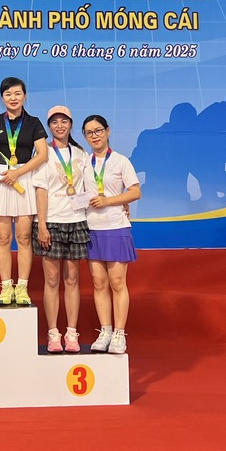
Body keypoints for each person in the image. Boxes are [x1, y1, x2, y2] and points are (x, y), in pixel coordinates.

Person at [0, 77, 48, 307]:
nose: (13, 98)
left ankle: (22, 287)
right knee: (3, 238)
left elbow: (42, 155)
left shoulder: (33, 123)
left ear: (25, 96)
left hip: (23, 180)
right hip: (1, 182)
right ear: (2, 98)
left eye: (17, 93)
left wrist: (18, 173)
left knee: (23, 238)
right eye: (8, 94)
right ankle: (5, 286)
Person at [31, 105, 91, 352]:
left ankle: (72, 333)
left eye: (64, 121)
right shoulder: (43, 153)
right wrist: (42, 225)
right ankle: (53, 333)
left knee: (73, 279)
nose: (59, 126)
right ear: (49, 126)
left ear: (71, 124)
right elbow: (41, 192)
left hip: (76, 221)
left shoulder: (81, 154)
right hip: (51, 221)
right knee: (52, 279)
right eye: (54, 122)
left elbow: (90, 187)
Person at [81, 114, 141, 355]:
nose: (94, 136)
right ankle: (105, 331)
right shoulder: (83, 163)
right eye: (89, 133)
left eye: (98, 130)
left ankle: (119, 333)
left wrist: (109, 201)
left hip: (116, 227)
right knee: (98, 283)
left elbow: (135, 192)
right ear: (85, 137)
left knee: (117, 282)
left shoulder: (120, 161)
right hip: (91, 228)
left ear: (107, 131)